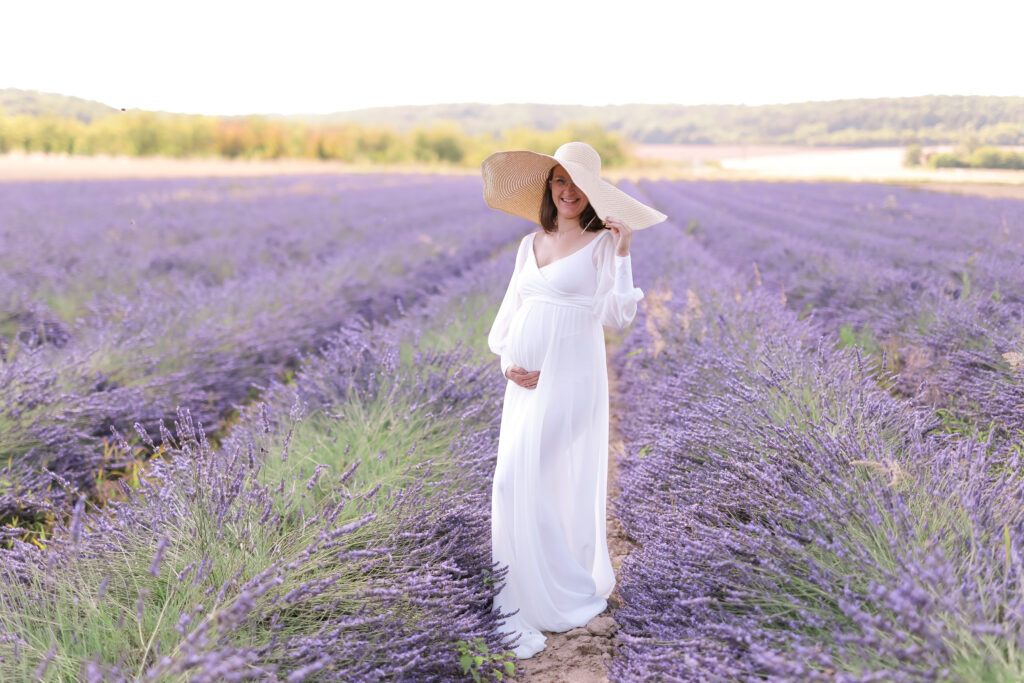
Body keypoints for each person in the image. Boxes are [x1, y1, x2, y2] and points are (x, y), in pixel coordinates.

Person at [481, 141, 667, 659]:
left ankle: (555, 592)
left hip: (571, 377)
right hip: (524, 384)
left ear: (592, 193)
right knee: (512, 481)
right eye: (558, 180)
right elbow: (508, 316)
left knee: (522, 477)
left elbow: (617, 317)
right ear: (549, 186)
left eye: (576, 183)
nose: (566, 190)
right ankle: (524, 590)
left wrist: (626, 253)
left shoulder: (604, 245)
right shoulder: (529, 244)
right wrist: (506, 364)